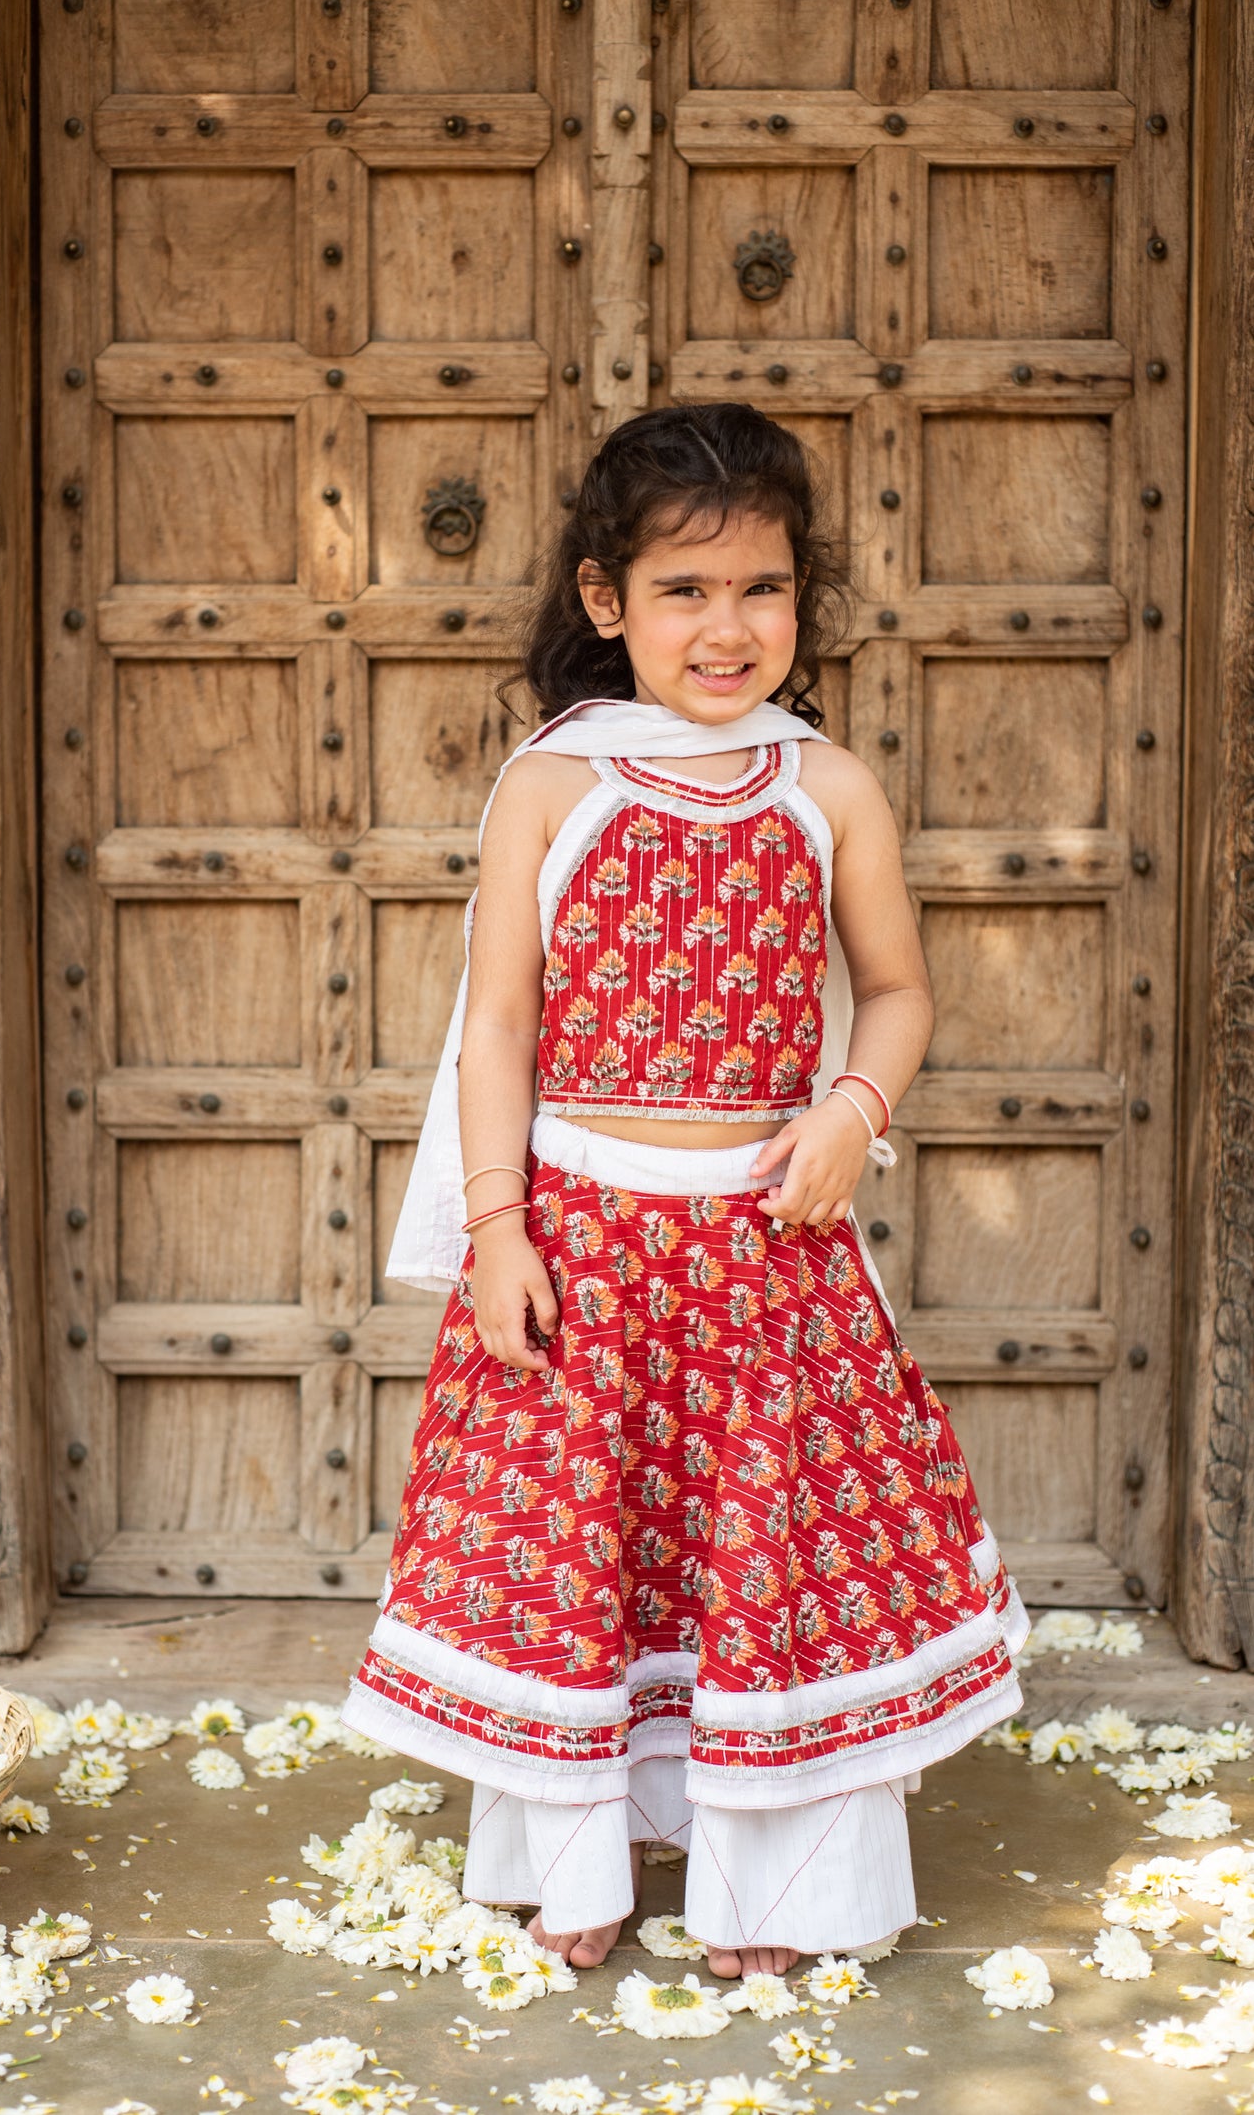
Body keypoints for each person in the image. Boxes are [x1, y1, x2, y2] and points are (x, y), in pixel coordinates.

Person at [340, 403, 1027, 1980]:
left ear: (802, 599)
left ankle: (771, 1890)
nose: (727, 630)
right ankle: (575, 1864)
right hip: (582, 1243)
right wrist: (498, 1225)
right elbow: (496, 1019)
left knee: (765, 1561)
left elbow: (900, 989)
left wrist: (854, 1105)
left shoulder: (824, 786)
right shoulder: (557, 783)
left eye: (763, 590)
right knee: (582, 1551)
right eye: (683, 592)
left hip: (762, 1249)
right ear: (606, 602)